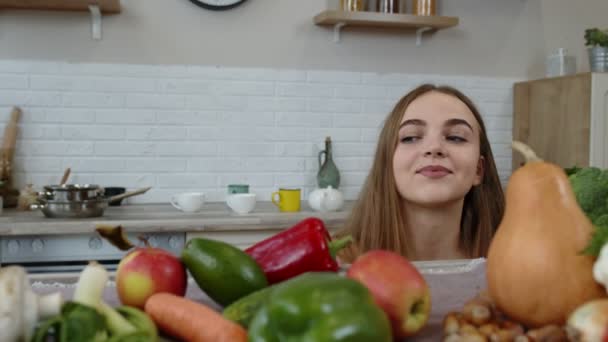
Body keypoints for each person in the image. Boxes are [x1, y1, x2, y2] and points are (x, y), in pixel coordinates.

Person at [338, 84, 505, 262]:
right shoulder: (336, 263)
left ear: (478, 170)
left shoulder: (510, 265)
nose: (434, 148)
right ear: (387, 163)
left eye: (456, 137)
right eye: (410, 137)